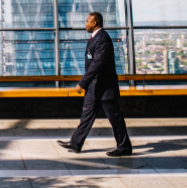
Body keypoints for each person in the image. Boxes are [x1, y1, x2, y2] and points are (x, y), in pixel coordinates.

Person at [57, 12, 132, 157]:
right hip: (94, 87)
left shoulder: (102, 39)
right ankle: (75, 142)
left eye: (87, 21)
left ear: (95, 23)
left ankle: (124, 146)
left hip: (105, 87)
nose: (85, 24)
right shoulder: (95, 38)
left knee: (115, 118)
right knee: (86, 115)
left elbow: (97, 64)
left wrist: (83, 82)